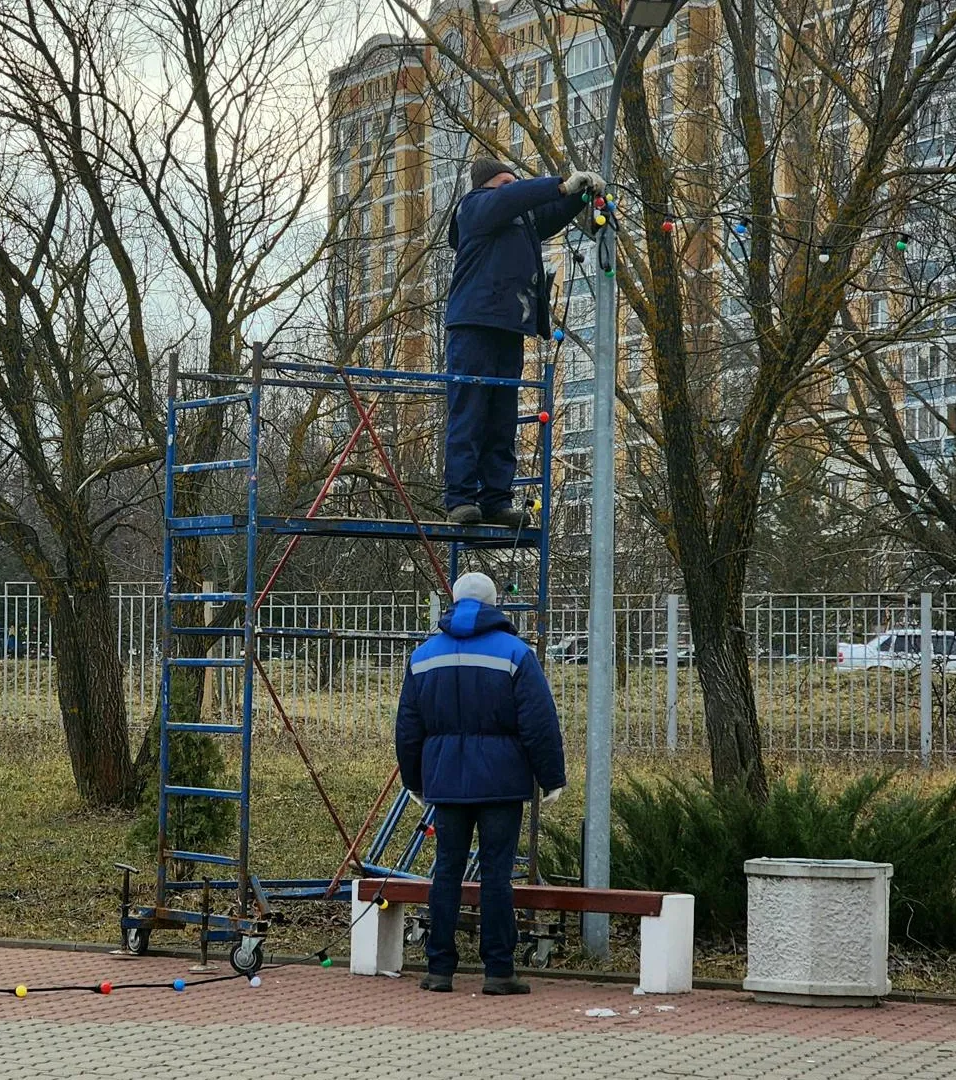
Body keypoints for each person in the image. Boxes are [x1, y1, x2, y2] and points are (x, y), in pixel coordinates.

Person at [394, 571, 567, 995]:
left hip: (446, 782)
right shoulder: (515, 652)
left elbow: (408, 727)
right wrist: (551, 777)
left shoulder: (423, 655)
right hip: (502, 783)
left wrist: (415, 779)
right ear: (494, 604)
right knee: (496, 875)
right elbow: (539, 722)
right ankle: (498, 971)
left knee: (447, 873)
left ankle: (439, 970)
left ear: (453, 601)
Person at [443, 159, 604, 527]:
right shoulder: (475, 208)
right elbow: (512, 199)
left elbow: (546, 216)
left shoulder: (519, 220)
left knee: (502, 418)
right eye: (505, 182)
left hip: (509, 329)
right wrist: (561, 184)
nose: (511, 187)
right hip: (474, 326)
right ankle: (461, 498)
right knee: (469, 412)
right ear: (487, 185)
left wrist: (577, 198)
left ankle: (497, 499)